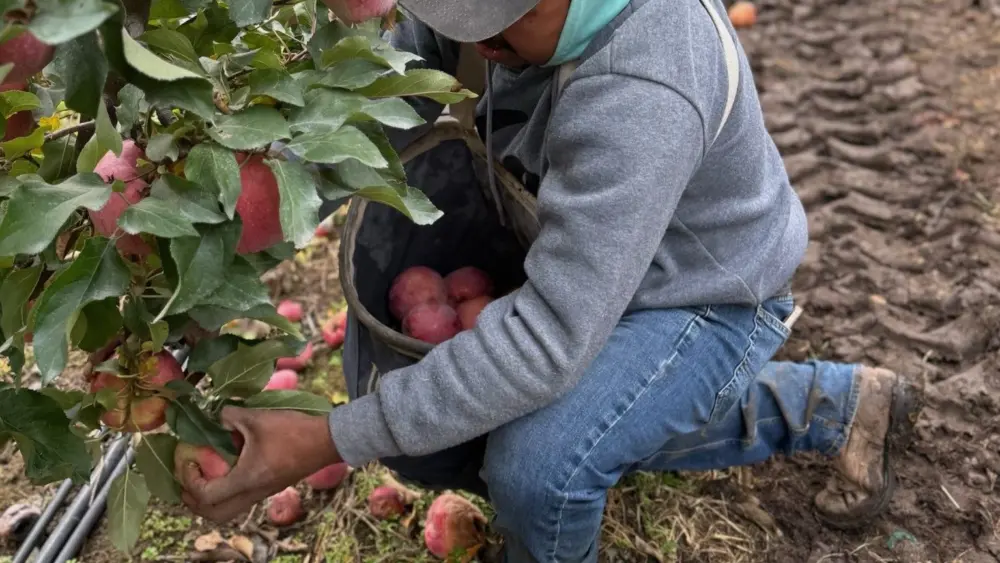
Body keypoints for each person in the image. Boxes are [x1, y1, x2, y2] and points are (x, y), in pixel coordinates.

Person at [178, 0, 924, 561]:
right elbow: (364, 121)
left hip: (702, 294)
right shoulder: (494, 22)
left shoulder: (647, 84)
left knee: (539, 468)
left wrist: (326, 436)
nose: (477, 47)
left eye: (498, 27)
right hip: (585, 260)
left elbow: (549, 339)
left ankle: (815, 405)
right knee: (422, 413)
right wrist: (214, 258)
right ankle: (839, 403)